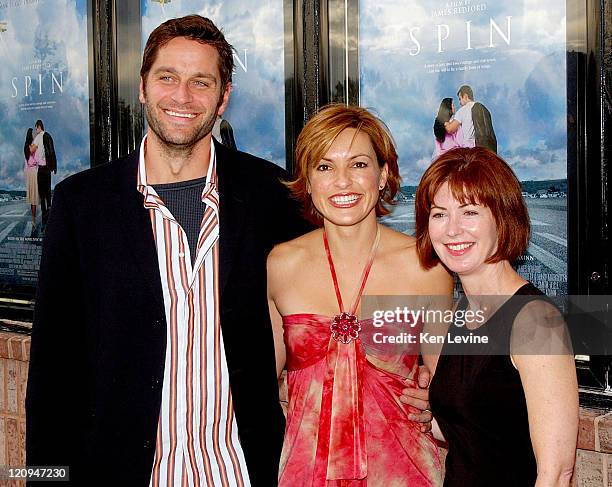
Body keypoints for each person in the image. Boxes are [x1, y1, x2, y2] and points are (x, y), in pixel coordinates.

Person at [26, 15, 313, 487]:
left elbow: (345, 279)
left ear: (223, 98)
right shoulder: (82, 204)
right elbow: (53, 372)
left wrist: (419, 368)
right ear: (142, 87)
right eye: (167, 78)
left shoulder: (272, 196)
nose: (182, 97)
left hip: (243, 472)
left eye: (201, 82)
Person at [268, 104, 453, 486]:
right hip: (305, 472)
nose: (342, 182)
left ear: (383, 175)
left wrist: (434, 404)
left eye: (358, 164)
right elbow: (259, 386)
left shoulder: (425, 268)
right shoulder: (281, 265)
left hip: (405, 472)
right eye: (324, 166)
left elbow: (452, 394)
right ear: (307, 179)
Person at [414, 147, 578, 486]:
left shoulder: (535, 321)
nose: (452, 230)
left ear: (503, 218)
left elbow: (557, 473)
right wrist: (426, 412)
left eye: (470, 212)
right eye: (439, 214)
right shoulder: (450, 318)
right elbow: (474, 433)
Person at [444, 86, 497, 153]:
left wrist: (443, 120)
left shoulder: (463, 110)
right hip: (485, 147)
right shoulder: (484, 109)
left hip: (469, 149)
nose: (459, 102)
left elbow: (450, 129)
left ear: (465, 96)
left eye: (460, 99)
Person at [32, 119, 57, 227]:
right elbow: (52, 151)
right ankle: (48, 221)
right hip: (46, 169)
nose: (35, 129)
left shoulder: (40, 137)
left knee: (43, 196)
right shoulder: (47, 136)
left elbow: (32, 151)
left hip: (43, 169)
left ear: (38, 126)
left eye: (35, 127)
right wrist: (54, 166)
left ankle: (45, 221)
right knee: (46, 195)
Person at [23, 128, 39, 228]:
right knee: (34, 197)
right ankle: (33, 220)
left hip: (29, 172)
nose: (34, 136)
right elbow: (35, 158)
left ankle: (33, 219)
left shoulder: (26, 147)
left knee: (33, 196)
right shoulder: (31, 146)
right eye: (33, 134)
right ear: (30, 136)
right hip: (32, 172)